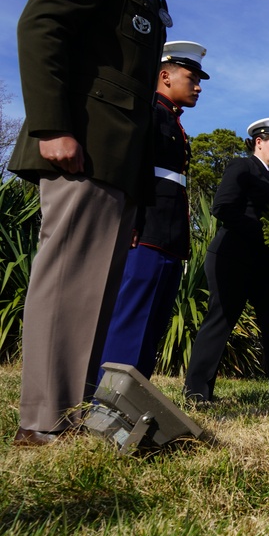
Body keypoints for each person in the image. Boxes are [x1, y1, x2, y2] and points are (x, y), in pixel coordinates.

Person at [10, 0, 179, 445]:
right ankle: (43, 420)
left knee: (91, 293)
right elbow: (42, 25)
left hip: (116, 158)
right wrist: (51, 126)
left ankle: (69, 413)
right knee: (67, 280)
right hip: (82, 142)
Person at [99, 41, 209, 383]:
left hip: (169, 236)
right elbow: (131, 170)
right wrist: (131, 222)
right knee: (131, 318)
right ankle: (108, 398)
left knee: (153, 322)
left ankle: (133, 396)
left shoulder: (172, 120)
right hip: (145, 232)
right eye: (191, 78)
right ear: (165, 76)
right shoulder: (147, 113)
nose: (198, 86)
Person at [184, 118, 269, 401]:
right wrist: (264, 233)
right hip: (232, 257)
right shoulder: (241, 166)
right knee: (220, 320)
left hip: (265, 263)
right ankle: (197, 391)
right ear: (259, 142)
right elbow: (223, 207)